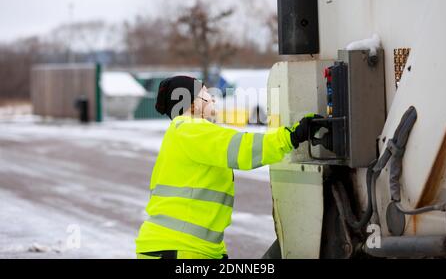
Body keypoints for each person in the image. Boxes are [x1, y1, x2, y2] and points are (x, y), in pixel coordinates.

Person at [135, 75, 320, 259]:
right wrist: (292, 136)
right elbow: (243, 148)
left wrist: (217, 251)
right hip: (178, 247)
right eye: (206, 94)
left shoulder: (184, 133)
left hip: (184, 247)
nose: (212, 98)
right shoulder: (189, 129)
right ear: (192, 104)